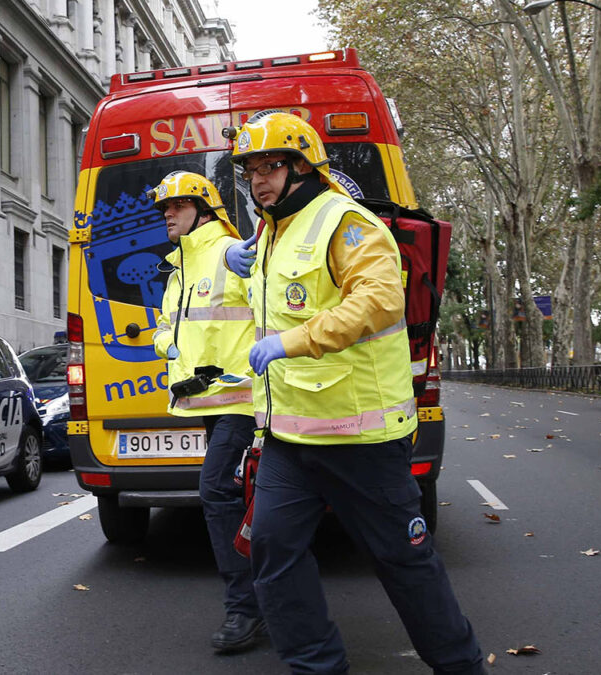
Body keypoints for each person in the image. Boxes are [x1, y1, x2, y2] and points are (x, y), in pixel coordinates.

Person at [225, 111, 485, 674]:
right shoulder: (271, 231)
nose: (258, 181)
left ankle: (462, 667)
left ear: (303, 167)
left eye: (271, 166)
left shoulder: (347, 223)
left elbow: (378, 301)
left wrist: (294, 341)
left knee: (403, 563)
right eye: (249, 171)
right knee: (272, 554)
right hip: (289, 437)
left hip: (360, 434)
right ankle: (318, 667)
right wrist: (227, 256)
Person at [148, 171, 265, 654]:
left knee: (217, 490)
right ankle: (270, 595)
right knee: (251, 501)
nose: (168, 215)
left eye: (177, 205)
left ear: (205, 210)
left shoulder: (227, 255)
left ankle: (246, 608)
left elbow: (271, 310)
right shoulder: (180, 269)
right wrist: (167, 346)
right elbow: (166, 326)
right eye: (164, 208)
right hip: (210, 404)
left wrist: (251, 266)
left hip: (245, 402)